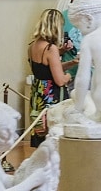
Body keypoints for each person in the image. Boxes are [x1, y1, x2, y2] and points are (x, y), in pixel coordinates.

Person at [26, 9, 70, 147]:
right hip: (51, 97)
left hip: (38, 94)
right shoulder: (51, 48)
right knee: (54, 139)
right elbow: (60, 80)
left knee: (41, 135)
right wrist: (70, 75)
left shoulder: (32, 46)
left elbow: (46, 69)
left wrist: (70, 60)